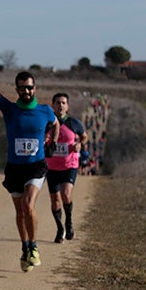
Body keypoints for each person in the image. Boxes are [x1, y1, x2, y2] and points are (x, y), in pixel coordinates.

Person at [0, 40, 58, 272]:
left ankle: (34, 246)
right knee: (19, 211)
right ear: (17, 89)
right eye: (22, 87)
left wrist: (52, 141)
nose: (26, 91)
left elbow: (55, 124)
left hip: (36, 166)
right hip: (14, 168)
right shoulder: (9, 109)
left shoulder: (45, 110)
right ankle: (25, 246)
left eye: (30, 87)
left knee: (27, 205)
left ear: (35, 88)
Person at [46, 92, 88, 243]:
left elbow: (84, 136)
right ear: (53, 105)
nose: (60, 105)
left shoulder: (74, 123)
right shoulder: (48, 124)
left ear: (67, 106)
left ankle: (69, 221)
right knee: (55, 200)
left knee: (65, 194)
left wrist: (79, 144)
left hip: (70, 165)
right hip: (51, 167)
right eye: (57, 102)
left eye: (63, 102)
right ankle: (60, 228)